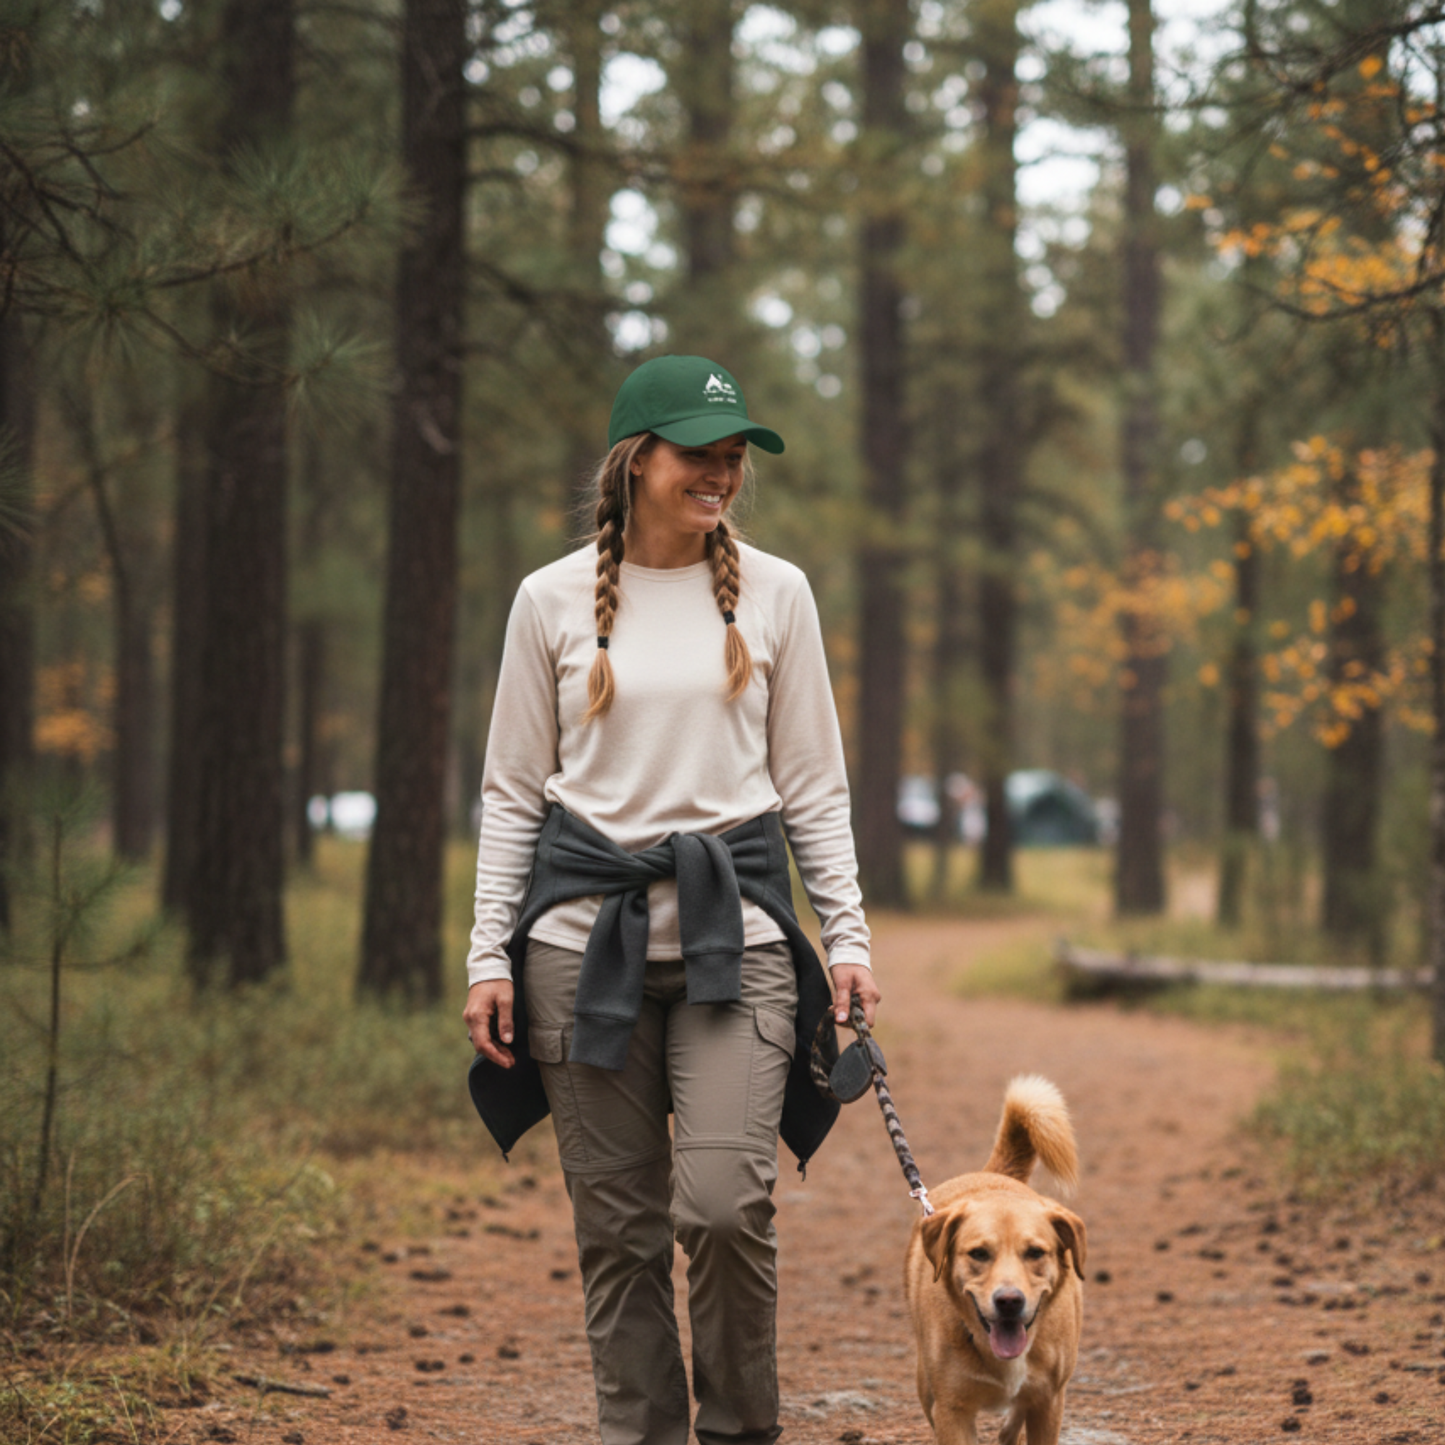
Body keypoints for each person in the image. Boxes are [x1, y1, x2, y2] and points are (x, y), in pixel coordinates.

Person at [463, 354, 877, 1445]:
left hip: (730, 936)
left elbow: (813, 787)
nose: (722, 473)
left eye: (734, 455)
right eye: (701, 453)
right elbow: (511, 794)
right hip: (572, 943)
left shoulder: (777, 592)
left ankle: (739, 1428)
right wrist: (486, 957)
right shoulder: (546, 599)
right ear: (635, 458)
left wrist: (844, 936)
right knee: (619, 1233)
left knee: (724, 1203)